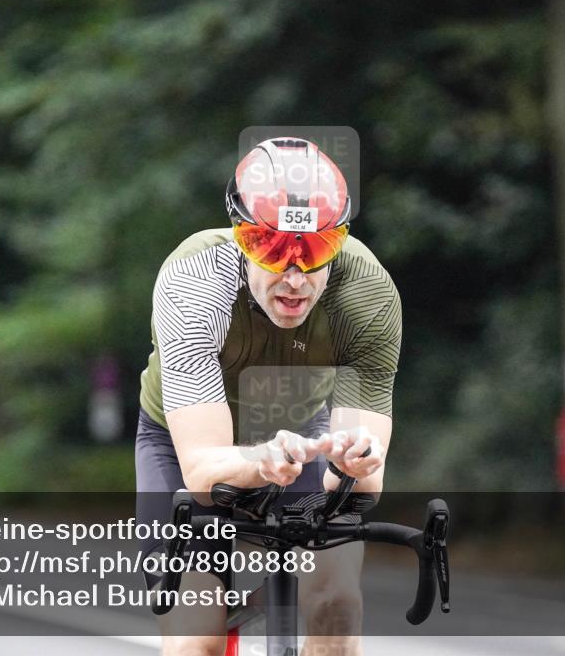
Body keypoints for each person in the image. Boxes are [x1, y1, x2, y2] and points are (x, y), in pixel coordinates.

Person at [135, 136, 402, 656]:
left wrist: (351, 460)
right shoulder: (195, 280)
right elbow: (203, 469)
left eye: (316, 249)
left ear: (340, 242)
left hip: (305, 438)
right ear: (240, 238)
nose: (295, 275)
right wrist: (259, 461)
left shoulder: (366, 292)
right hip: (185, 441)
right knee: (198, 639)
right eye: (273, 248)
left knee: (338, 607)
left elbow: (366, 480)